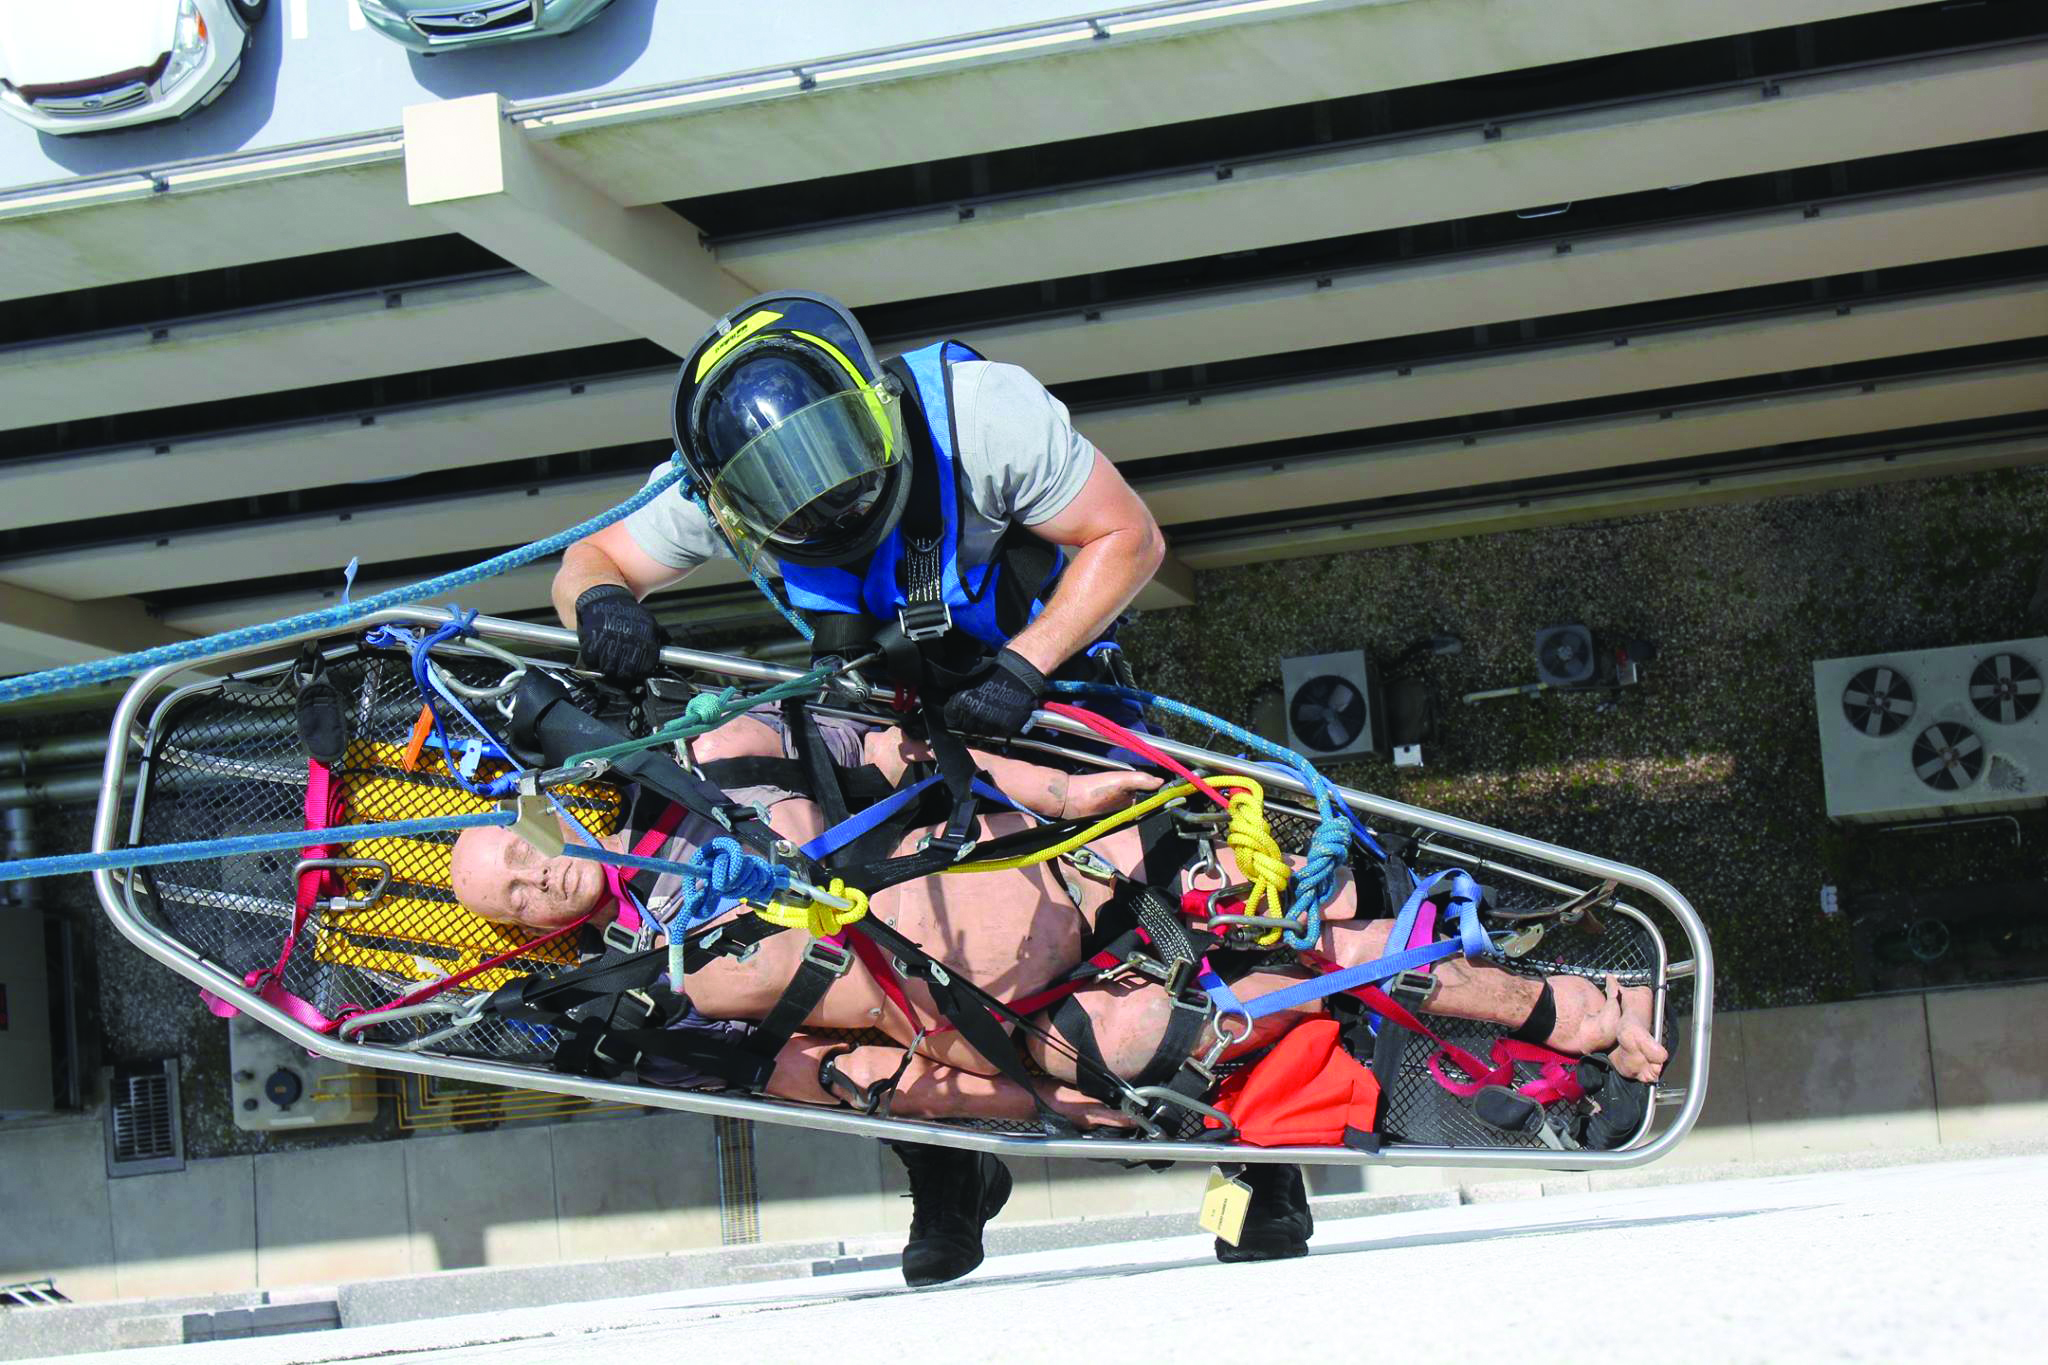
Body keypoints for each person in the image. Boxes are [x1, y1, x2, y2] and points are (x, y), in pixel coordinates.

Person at [450, 709, 1669, 1276]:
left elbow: (911, 746)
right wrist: (1041, 1116)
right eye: (506, 897)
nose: (527, 875)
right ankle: (1533, 1062)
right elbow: (822, 1074)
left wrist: (1086, 792)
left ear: (539, 810)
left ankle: (1583, 1013)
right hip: (1013, 1028)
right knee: (1213, 1040)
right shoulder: (652, 999)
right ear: (516, 935)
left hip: (1062, 880)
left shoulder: (711, 757)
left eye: (512, 848)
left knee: (1307, 933)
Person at [547, 290, 1191, 1283]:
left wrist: (1024, 667)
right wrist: (598, 602)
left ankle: (1258, 1158)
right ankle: (945, 1166)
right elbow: (593, 556)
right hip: (887, 722)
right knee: (862, 939)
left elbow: (1126, 539)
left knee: (1154, 901)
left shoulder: (983, 417)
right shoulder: (705, 489)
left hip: (1045, 688)